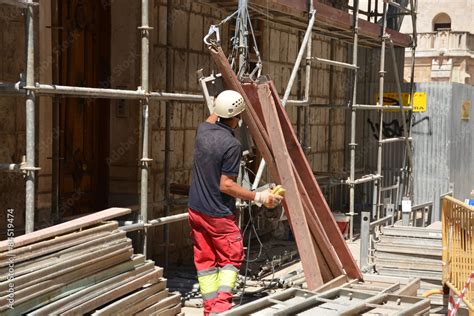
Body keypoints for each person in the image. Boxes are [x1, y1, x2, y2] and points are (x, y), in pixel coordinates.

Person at [188, 90, 283, 315]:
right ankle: (221, 308)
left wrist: (222, 101)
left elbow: (213, 116)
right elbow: (226, 185)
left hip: (196, 210)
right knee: (232, 256)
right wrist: (260, 197)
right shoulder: (231, 145)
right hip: (217, 214)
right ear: (236, 117)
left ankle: (210, 308)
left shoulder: (202, 131)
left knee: (206, 262)